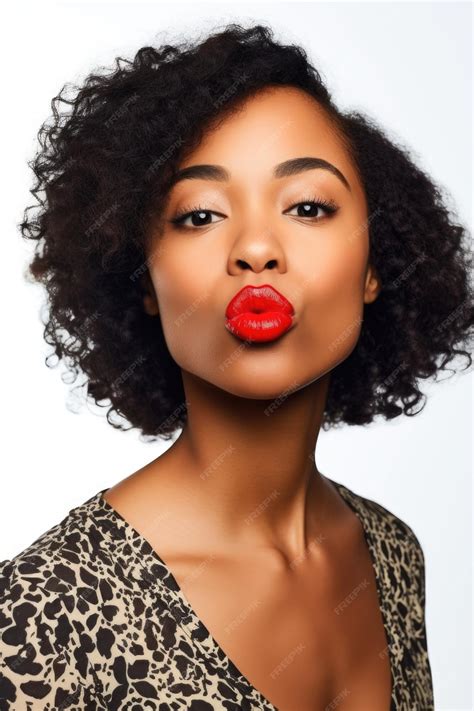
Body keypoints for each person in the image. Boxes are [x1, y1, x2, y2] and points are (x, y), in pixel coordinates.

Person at [1, 22, 472, 711]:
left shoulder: (392, 555)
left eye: (308, 206)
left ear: (375, 265)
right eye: (200, 215)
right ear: (142, 279)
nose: (255, 247)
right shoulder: (40, 616)